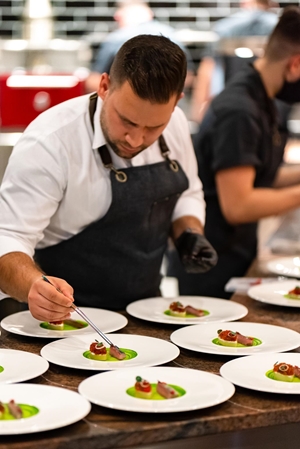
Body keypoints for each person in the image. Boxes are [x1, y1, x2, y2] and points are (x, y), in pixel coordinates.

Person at [0, 34, 217, 322]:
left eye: (154, 127)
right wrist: (34, 286)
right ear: (104, 86)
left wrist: (189, 233)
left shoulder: (176, 122)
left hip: (146, 312)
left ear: (176, 103)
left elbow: (188, 192)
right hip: (61, 322)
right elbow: (9, 237)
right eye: (126, 120)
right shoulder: (50, 142)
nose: (136, 139)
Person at [167, 7, 300, 299]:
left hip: (235, 254)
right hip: (211, 265)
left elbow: (262, 175)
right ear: (295, 64)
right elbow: (238, 204)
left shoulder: (263, 101)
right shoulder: (239, 111)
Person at [190, 0, 278, 123]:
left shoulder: (225, 28)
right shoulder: (280, 29)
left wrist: (199, 114)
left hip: (230, 101)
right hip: (271, 102)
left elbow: (210, 70)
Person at [85, 0, 195, 93]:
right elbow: (188, 78)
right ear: (150, 13)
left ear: (118, 16)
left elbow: (94, 82)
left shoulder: (116, 38)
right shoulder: (172, 35)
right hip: (168, 109)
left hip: (126, 108)